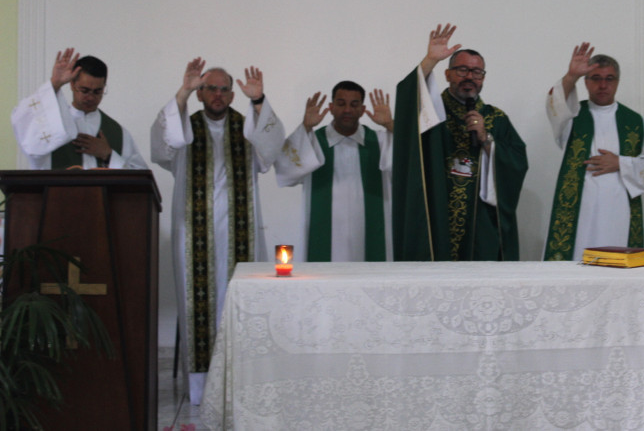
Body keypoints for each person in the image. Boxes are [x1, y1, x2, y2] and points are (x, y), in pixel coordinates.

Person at [150, 57, 285, 405]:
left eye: (225, 90)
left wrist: (258, 102)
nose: (219, 95)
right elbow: (162, 148)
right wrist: (181, 93)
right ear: (200, 93)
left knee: (240, 300)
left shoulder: (247, 127)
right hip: (191, 233)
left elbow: (270, 154)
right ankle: (200, 388)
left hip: (241, 234)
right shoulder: (184, 125)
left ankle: (241, 380)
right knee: (198, 304)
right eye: (211, 88)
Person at [392, 23, 528, 261]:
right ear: (447, 74)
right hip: (438, 214)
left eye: (477, 73)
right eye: (462, 70)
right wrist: (430, 61)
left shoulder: (495, 118)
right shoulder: (432, 112)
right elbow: (408, 99)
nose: (470, 77)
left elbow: (518, 162)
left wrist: (488, 141)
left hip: (481, 223)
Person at [543, 43, 644, 260]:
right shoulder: (573, 115)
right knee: (577, 262)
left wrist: (621, 163)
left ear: (617, 82)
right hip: (580, 208)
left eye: (609, 79)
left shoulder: (633, 121)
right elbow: (555, 106)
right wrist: (571, 76)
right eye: (595, 78)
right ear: (586, 82)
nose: (602, 85)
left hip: (618, 208)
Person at [275, 82, 394, 261]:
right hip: (323, 240)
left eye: (354, 105)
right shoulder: (311, 142)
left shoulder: (380, 141)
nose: (347, 110)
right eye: (340, 103)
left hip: (370, 237)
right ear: (331, 107)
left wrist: (391, 125)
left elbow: (411, 162)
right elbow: (285, 169)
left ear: (362, 110)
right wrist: (305, 127)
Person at [11, 47, 148, 170]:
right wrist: (55, 83)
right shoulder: (53, 123)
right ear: (72, 85)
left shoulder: (118, 133)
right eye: (84, 90)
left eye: (97, 91)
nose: (90, 97)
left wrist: (108, 155)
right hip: (57, 197)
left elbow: (141, 180)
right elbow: (22, 123)